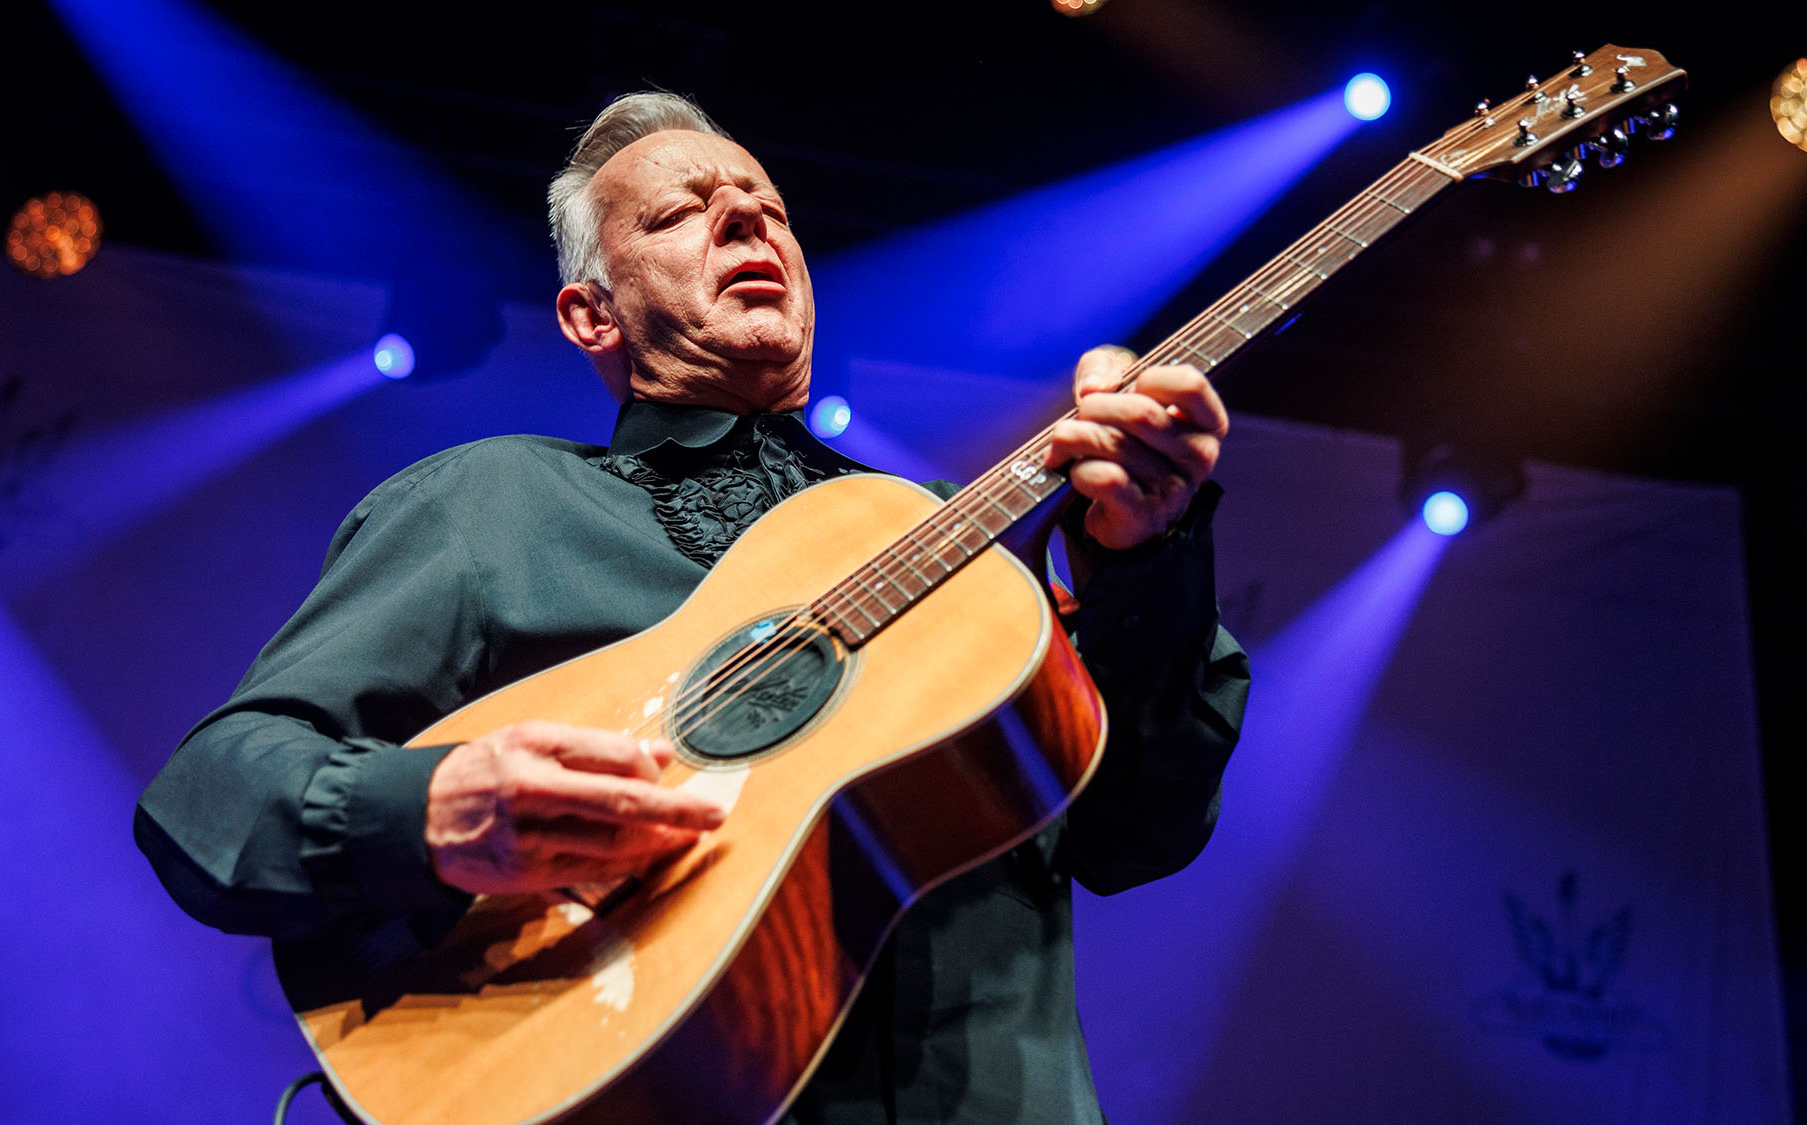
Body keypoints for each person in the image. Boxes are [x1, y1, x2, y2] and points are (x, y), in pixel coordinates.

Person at [136, 92, 1249, 1122]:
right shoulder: (491, 504)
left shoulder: (959, 535)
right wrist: (428, 809)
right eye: (683, 212)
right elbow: (209, 798)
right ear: (589, 314)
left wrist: (1142, 553)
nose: (746, 224)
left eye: (768, 209)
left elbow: (1135, 833)